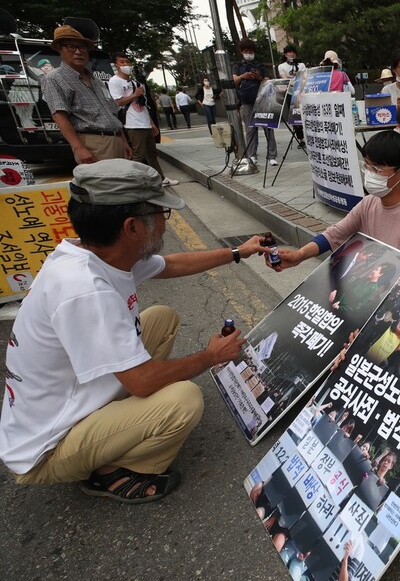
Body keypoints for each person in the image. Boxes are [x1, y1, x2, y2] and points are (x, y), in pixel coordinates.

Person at [0, 159, 270, 502]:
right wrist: (210, 356)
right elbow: (142, 381)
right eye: (161, 215)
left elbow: (170, 264)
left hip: (67, 403)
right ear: (132, 227)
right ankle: (117, 471)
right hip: (47, 449)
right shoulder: (85, 290)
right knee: (183, 400)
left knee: (160, 318)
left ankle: (117, 428)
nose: (163, 225)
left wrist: (237, 252)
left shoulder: (95, 254)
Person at [267, 130, 400, 268]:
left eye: (376, 168)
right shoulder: (369, 203)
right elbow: (334, 234)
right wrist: (300, 255)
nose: (369, 173)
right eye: (367, 166)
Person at [40, 25, 130, 164]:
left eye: (82, 47)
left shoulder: (97, 80)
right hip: (93, 143)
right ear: (60, 49)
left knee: (126, 183)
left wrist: (122, 140)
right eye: (71, 47)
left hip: (116, 139)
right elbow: (59, 116)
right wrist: (78, 147)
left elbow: (111, 112)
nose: (78, 52)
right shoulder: (54, 78)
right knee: (105, 184)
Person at [108, 53, 173, 187]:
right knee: (139, 155)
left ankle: (160, 179)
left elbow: (143, 105)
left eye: (127, 62)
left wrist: (152, 123)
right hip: (133, 124)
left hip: (144, 122)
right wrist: (134, 95)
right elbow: (118, 102)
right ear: (116, 66)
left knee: (152, 153)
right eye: (122, 62)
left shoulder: (135, 82)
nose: (125, 65)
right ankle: (136, 182)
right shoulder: (114, 81)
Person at [233, 39, 277, 166]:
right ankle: (252, 155)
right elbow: (233, 81)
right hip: (246, 101)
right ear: (241, 51)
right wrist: (243, 76)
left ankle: (272, 156)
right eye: (246, 51)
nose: (249, 54)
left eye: (251, 51)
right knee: (250, 130)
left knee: (269, 128)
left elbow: (268, 81)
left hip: (262, 100)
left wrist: (259, 77)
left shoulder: (260, 65)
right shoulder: (238, 66)